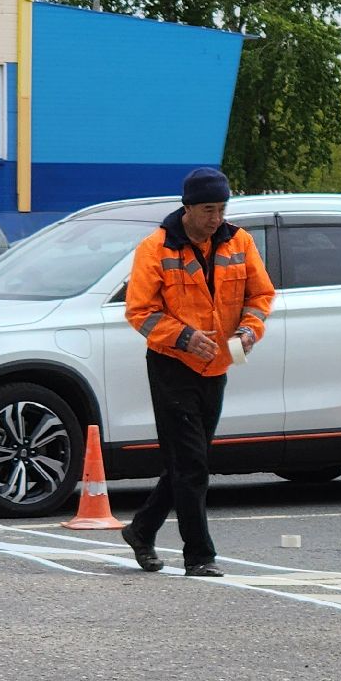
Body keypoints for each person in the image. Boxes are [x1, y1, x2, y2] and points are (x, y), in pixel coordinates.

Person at [118, 167, 274, 577]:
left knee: (190, 461)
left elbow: (261, 295)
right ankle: (199, 555)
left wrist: (248, 329)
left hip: (217, 364)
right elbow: (139, 312)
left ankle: (141, 529)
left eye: (221, 209)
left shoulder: (239, 241)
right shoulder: (156, 248)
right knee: (191, 464)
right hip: (172, 365)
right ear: (187, 208)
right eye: (208, 209)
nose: (216, 218)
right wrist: (183, 338)